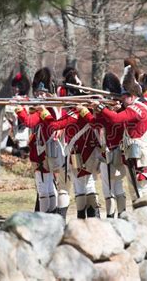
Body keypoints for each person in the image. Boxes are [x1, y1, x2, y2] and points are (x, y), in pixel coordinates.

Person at [93, 65, 147, 199]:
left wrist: (101, 107)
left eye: (124, 97)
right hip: (145, 153)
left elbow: (115, 119)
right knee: (142, 188)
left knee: (140, 190)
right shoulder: (145, 105)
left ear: (132, 96)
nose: (122, 100)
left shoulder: (134, 109)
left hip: (141, 155)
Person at [48, 69, 102, 218]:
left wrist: (46, 115)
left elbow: (55, 125)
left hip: (78, 154)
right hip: (90, 153)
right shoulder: (90, 111)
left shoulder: (76, 113)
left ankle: (82, 217)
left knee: (80, 186)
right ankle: (93, 217)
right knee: (89, 184)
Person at [16, 67, 61, 214]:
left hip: (44, 152)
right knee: (48, 188)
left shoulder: (46, 109)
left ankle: (43, 218)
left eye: (42, 93)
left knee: (43, 189)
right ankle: (50, 217)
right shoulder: (54, 106)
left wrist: (18, 108)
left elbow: (29, 122)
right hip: (48, 151)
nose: (39, 95)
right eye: (38, 93)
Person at [93, 72, 128, 218]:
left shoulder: (121, 111)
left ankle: (119, 215)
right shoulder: (106, 110)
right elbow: (96, 124)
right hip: (106, 151)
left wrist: (103, 110)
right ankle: (113, 215)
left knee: (115, 185)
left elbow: (113, 121)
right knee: (108, 187)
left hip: (116, 151)